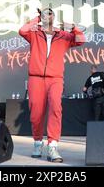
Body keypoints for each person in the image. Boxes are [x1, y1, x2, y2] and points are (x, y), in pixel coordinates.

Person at [19, 8, 85, 162]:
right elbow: (22, 30)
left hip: (55, 78)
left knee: (56, 106)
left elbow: (81, 40)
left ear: (54, 16)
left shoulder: (63, 36)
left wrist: (73, 27)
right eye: (44, 13)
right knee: (36, 112)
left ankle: (53, 146)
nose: (47, 15)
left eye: (50, 13)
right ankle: (37, 142)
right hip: (36, 78)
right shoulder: (34, 33)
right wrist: (37, 19)